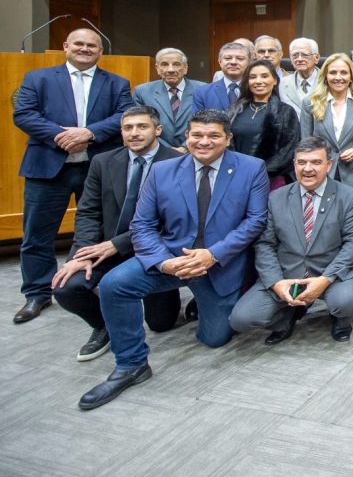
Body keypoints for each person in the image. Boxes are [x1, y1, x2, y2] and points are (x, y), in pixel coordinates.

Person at [78, 109, 269, 410]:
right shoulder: (163, 170)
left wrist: (212, 255)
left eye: (213, 135)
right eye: (197, 135)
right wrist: (162, 263)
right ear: (186, 136)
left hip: (218, 265)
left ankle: (201, 304)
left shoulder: (252, 168)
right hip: (170, 258)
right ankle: (131, 364)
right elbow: (141, 225)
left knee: (214, 338)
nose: (204, 141)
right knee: (114, 284)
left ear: (228, 139)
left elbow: (255, 221)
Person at [13, 28, 134, 324]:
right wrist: (61, 136)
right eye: (78, 44)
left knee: (101, 228)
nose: (85, 49)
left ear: (100, 51)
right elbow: (24, 115)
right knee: (38, 233)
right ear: (66, 46)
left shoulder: (116, 83)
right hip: (47, 168)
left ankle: (88, 282)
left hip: (95, 167)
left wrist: (89, 133)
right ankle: (37, 292)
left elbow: (125, 114)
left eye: (91, 45)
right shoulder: (38, 79)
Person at [52, 105, 183, 360]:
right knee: (66, 285)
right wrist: (84, 251)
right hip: (104, 246)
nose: (134, 133)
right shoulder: (103, 161)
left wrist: (117, 244)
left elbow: (171, 222)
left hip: (153, 249)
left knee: (161, 323)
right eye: (128, 128)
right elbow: (88, 211)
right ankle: (105, 325)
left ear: (158, 130)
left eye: (142, 127)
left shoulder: (178, 164)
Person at [229, 136, 353, 345]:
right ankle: (289, 313)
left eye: (316, 162)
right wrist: (276, 283)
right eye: (302, 162)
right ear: (294, 164)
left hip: (330, 274)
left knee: (347, 302)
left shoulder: (348, 196)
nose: (308, 168)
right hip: (287, 274)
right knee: (242, 319)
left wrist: (325, 279)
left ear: (329, 165)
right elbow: (265, 244)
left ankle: (339, 317)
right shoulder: (276, 197)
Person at [300, 53, 353, 188]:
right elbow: (306, 141)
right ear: (325, 76)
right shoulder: (310, 103)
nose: (338, 77)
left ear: (351, 77)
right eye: (333, 73)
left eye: (343, 73)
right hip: (321, 172)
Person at [228, 60, 301, 189]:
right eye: (252, 77)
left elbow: (288, 151)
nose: (258, 81)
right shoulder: (234, 110)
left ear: (275, 81)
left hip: (270, 180)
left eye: (264, 76)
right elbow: (226, 143)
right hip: (235, 177)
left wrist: (259, 172)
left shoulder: (285, 112)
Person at [132, 48, 206, 149]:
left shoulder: (203, 90)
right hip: (158, 152)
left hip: (195, 150)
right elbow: (140, 124)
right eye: (164, 64)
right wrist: (166, 149)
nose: (170, 70)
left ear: (185, 68)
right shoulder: (142, 91)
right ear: (157, 68)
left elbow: (209, 122)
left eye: (176, 64)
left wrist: (185, 147)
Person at [192, 42, 251, 111]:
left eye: (240, 58)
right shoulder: (202, 93)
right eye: (228, 58)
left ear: (249, 63)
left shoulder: (257, 90)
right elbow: (197, 121)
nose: (233, 62)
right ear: (220, 62)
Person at [279, 37, 322, 117]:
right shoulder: (281, 84)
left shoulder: (327, 81)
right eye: (295, 55)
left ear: (316, 58)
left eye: (305, 55)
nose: (299, 59)